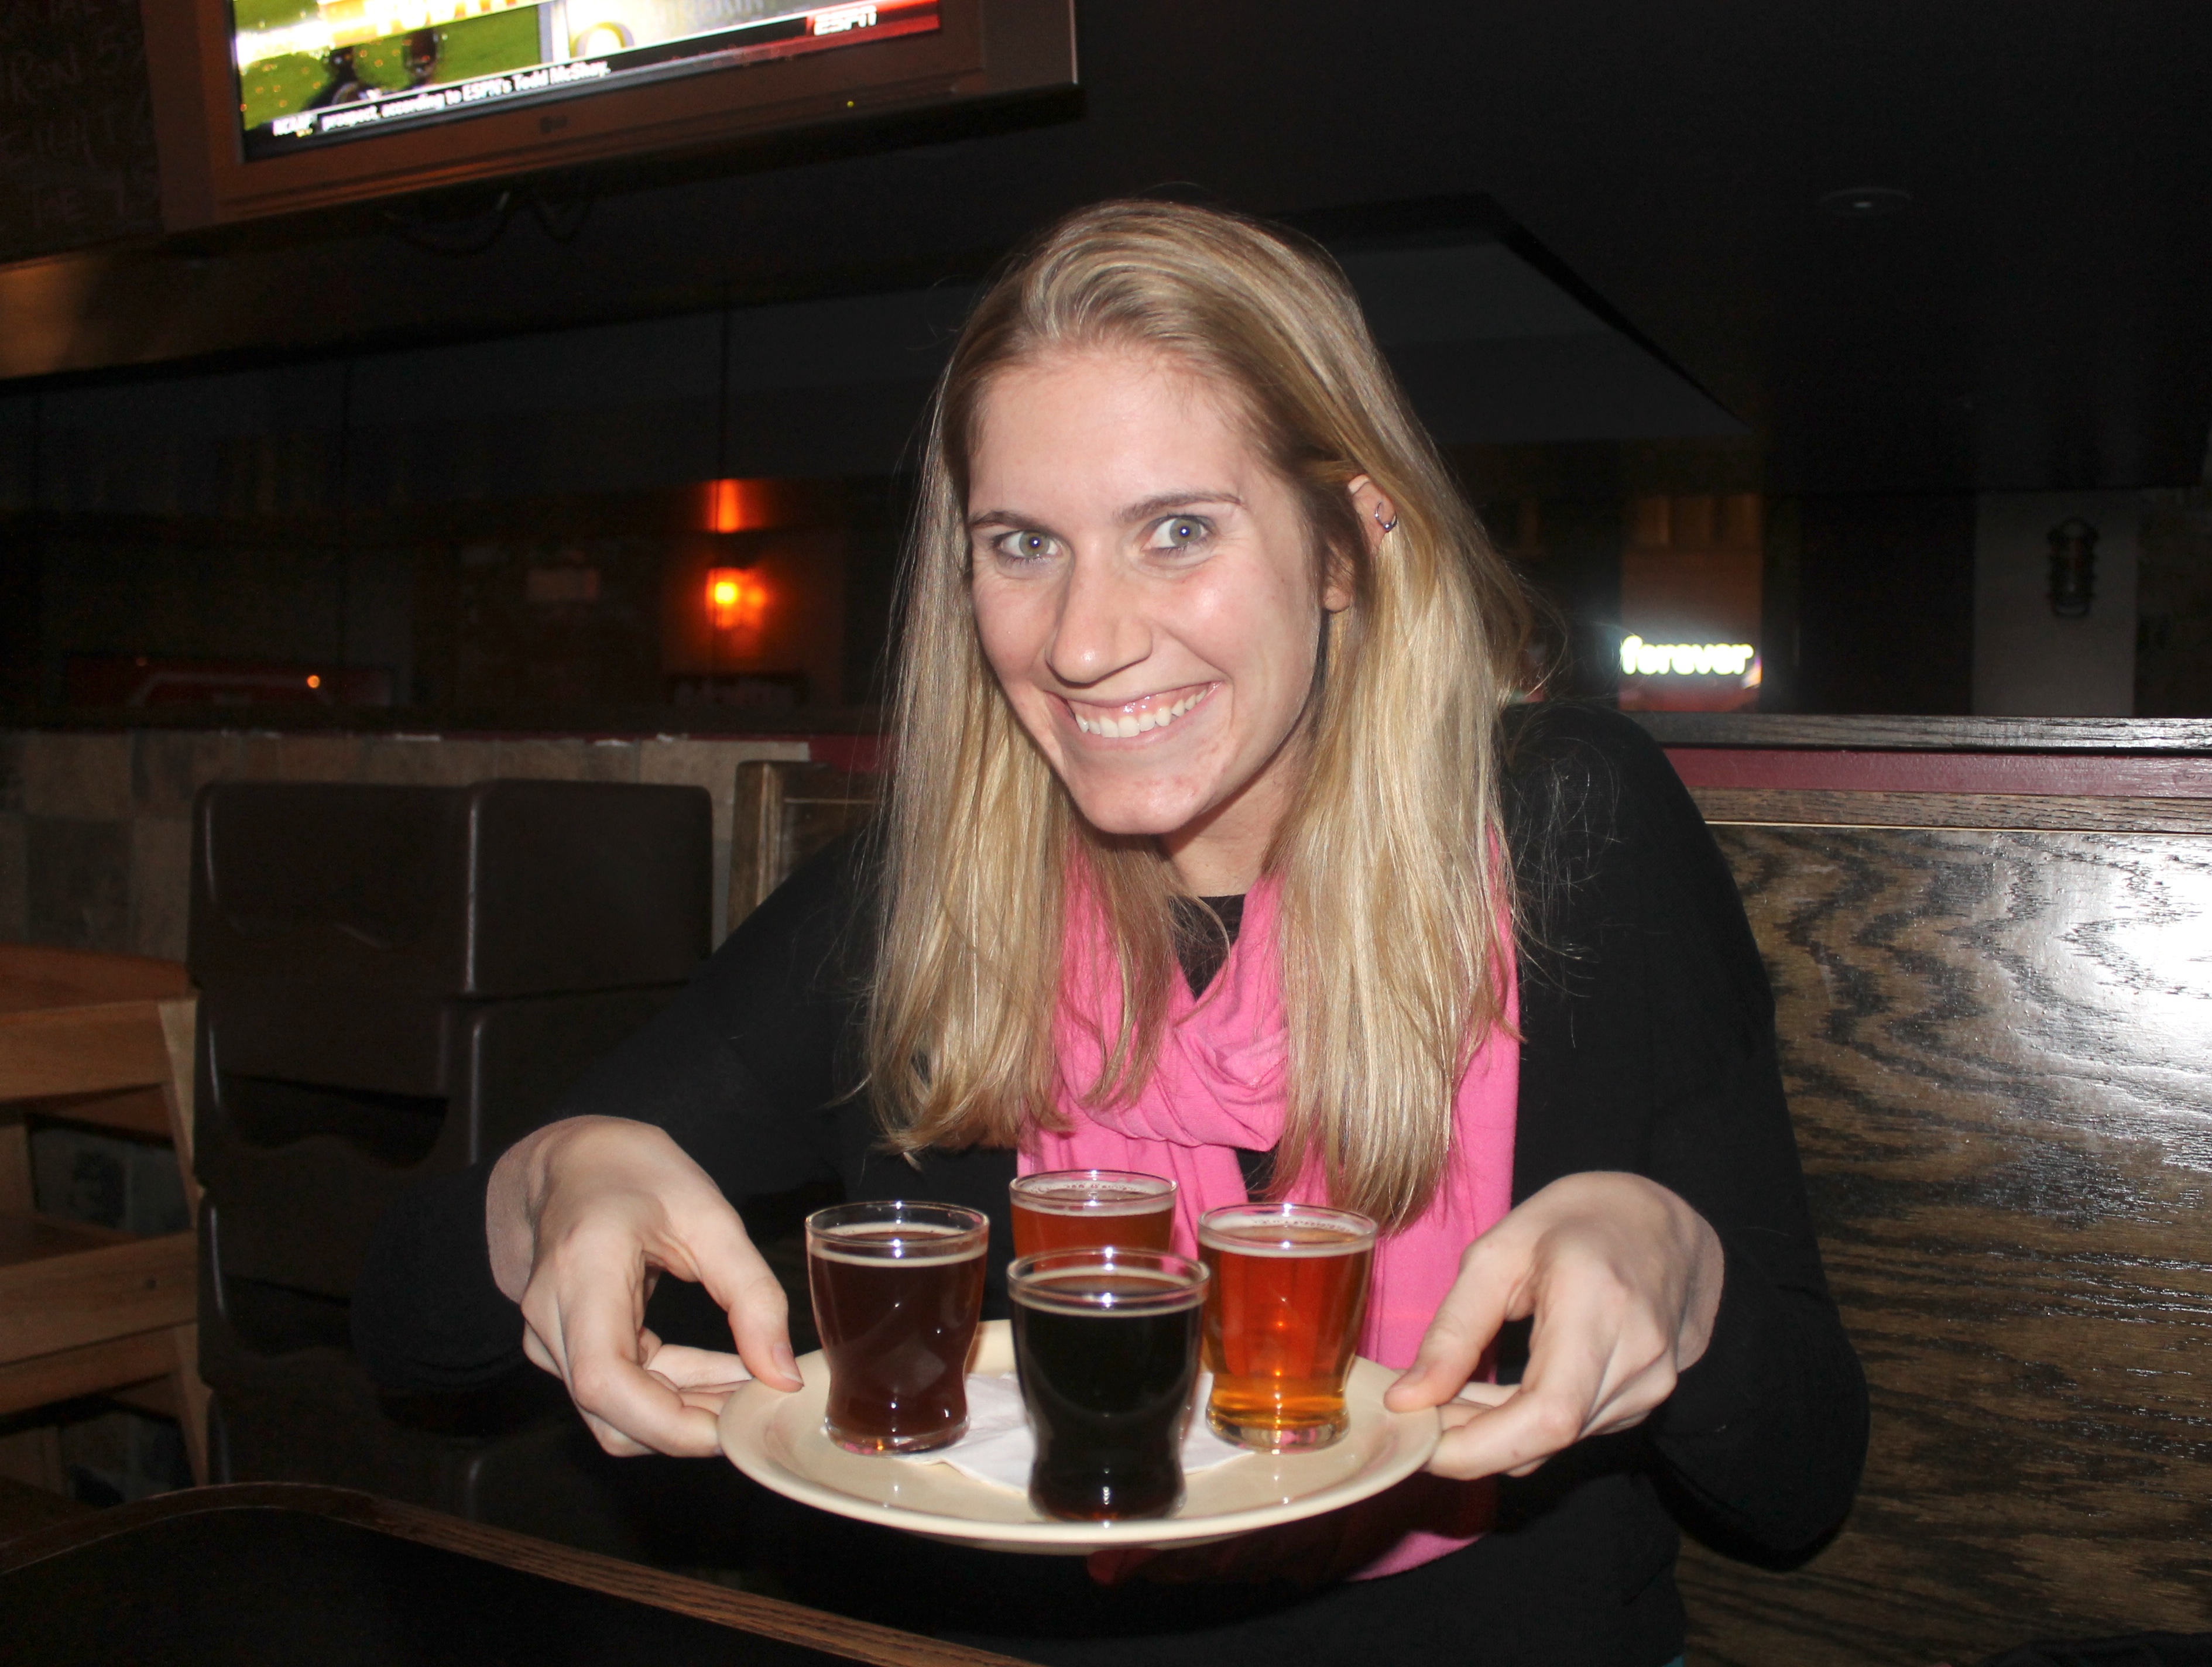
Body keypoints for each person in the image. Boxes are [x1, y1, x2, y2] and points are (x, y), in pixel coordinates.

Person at [355, 198, 1867, 1666]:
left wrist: (1684, 1278)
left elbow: (1798, 1481)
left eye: (1178, 531)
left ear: (1347, 546)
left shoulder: (1569, 826)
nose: (1083, 643)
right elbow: (404, 1322)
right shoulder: (923, 901)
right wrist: (554, 1182)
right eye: (1023, 545)